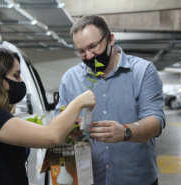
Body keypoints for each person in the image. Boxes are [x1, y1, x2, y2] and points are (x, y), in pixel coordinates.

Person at [55, 15, 166, 185]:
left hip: (136, 179)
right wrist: (70, 130)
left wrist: (125, 132)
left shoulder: (143, 71)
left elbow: (156, 122)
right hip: (90, 178)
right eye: (81, 51)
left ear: (110, 39)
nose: (89, 56)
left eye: (93, 46)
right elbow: (58, 124)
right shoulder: (70, 79)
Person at [0, 47, 96, 185]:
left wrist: (66, 132)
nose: (20, 81)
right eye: (16, 75)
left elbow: (1, 167)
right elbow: (50, 136)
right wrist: (78, 103)